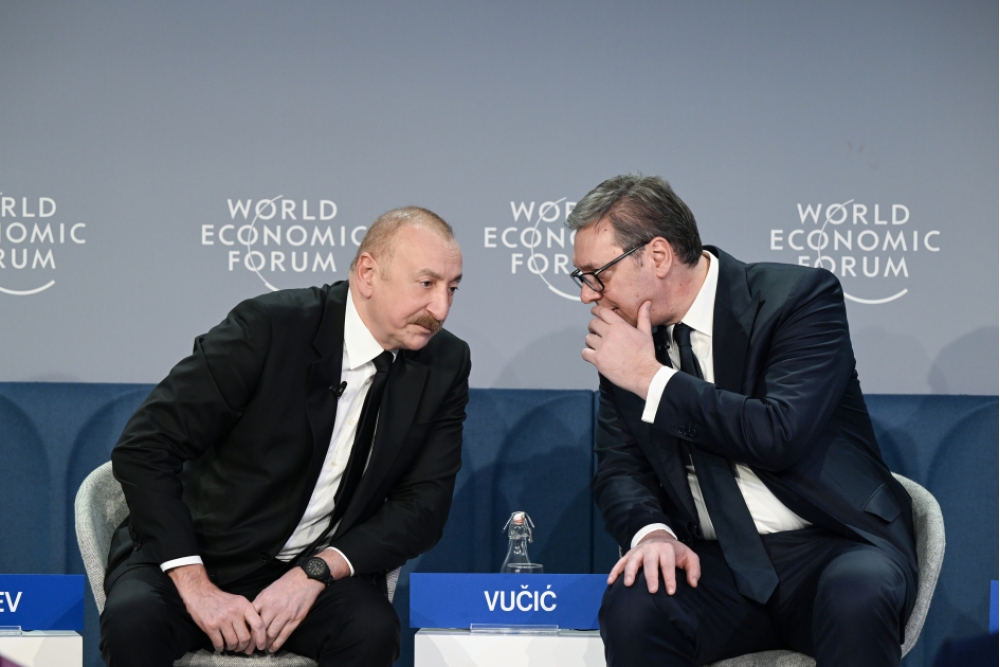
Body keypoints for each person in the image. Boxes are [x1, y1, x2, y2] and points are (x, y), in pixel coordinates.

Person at [568, 175, 917, 667]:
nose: (588, 295)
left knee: (858, 594)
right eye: (581, 277)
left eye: (596, 274)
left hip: (834, 544)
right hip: (714, 564)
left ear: (658, 256)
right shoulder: (628, 340)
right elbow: (620, 468)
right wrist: (652, 532)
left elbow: (779, 434)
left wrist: (650, 378)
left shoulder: (796, 299)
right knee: (634, 606)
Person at [100, 207, 470, 667]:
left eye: (452, 289)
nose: (441, 309)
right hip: (199, 555)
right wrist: (195, 584)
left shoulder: (444, 363)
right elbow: (145, 447)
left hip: (307, 572)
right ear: (368, 273)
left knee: (370, 631)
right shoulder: (270, 328)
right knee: (134, 620)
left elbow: (423, 506)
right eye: (427, 283)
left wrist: (315, 572)